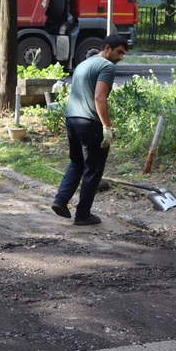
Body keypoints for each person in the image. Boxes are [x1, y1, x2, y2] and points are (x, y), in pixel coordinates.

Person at [52, 34, 129, 225]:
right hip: (89, 123)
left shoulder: (84, 64)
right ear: (108, 48)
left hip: (71, 119)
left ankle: (61, 201)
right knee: (93, 169)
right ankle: (83, 215)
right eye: (119, 52)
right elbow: (99, 98)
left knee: (77, 163)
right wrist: (107, 127)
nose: (121, 57)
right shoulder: (106, 66)